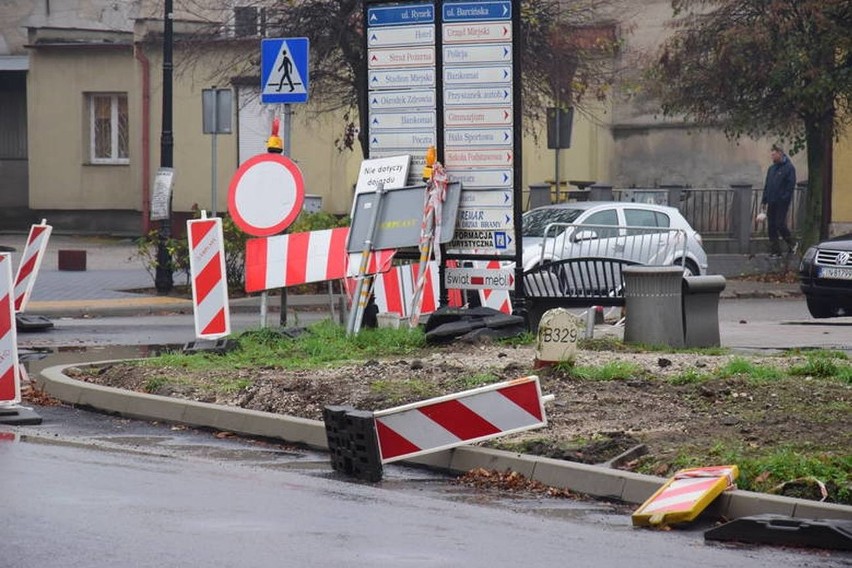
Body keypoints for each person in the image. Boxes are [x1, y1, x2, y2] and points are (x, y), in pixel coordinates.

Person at [760, 144, 798, 258]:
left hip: (781, 202)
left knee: (779, 224)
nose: (772, 156)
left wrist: (784, 198)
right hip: (771, 201)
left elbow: (790, 186)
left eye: (774, 153)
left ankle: (792, 243)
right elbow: (768, 185)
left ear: (780, 153)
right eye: (771, 153)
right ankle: (775, 251)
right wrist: (764, 200)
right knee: (771, 226)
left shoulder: (789, 168)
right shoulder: (772, 169)